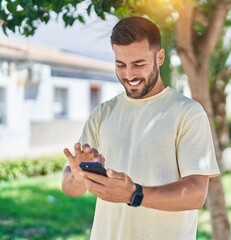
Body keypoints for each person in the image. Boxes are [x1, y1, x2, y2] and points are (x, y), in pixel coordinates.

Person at [61, 16, 220, 240]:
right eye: (120, 65)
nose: (129, 75)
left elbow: (196, 194)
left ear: (160, 57)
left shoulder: (188, 113)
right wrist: (78, 176)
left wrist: (135, 193)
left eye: (139, 64)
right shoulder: (103, 113)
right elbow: (70, 188)